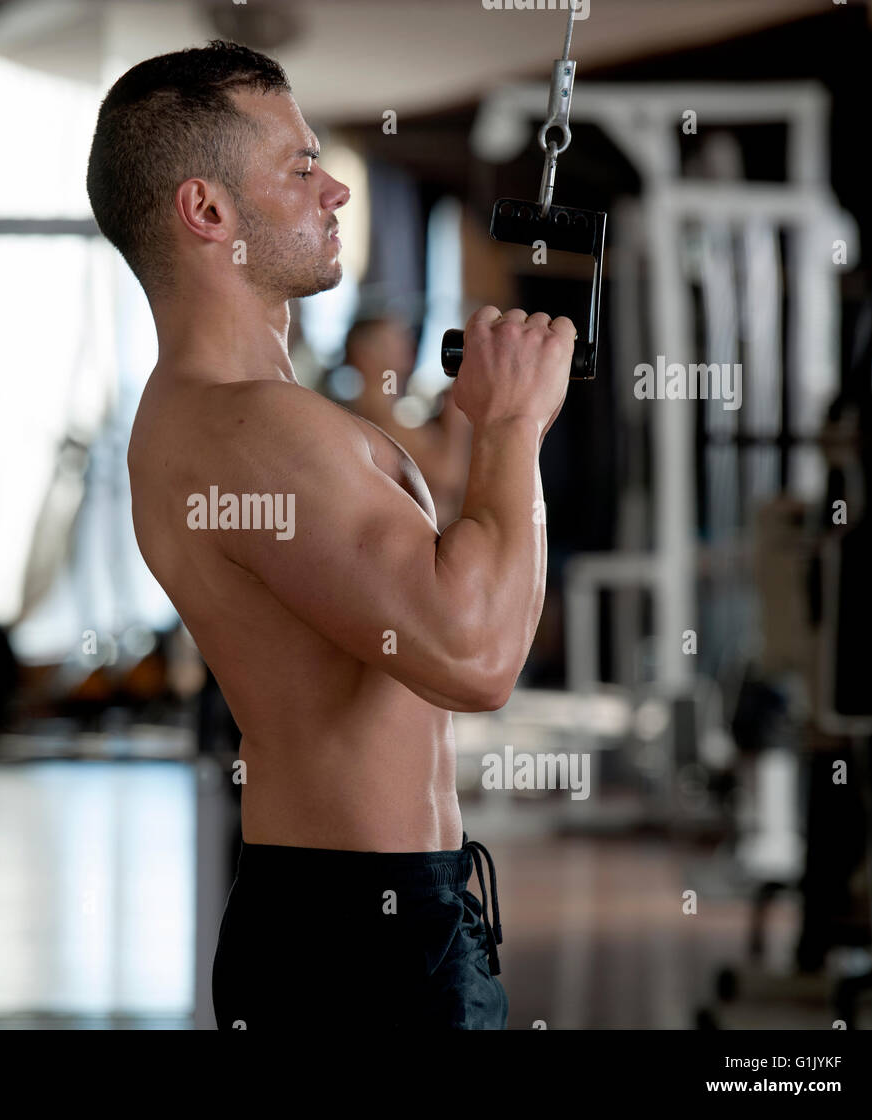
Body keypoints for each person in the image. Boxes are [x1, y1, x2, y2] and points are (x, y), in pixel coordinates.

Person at [86, 39, 573, 1029]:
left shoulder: (233, 417)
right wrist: (516, 427)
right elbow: (475, 658)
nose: (335, 190)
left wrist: (492, 424)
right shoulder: (247, 429)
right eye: (300, 166)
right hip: (365, 943)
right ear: (206, 211)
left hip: (361, 916)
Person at [337, 315, 474, 529]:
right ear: (363, 353)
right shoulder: (372, 415)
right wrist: (456, 415)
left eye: (405, 336)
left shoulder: (400, 413)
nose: (407, 343)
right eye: (394, 338)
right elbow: (447, 477)